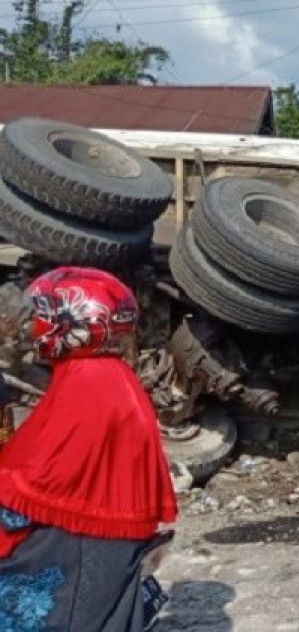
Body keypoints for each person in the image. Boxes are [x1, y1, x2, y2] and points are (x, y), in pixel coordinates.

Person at [0, 266, 177, 631]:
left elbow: (45, 478)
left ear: (70, 322)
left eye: (41, 316)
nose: (33, 326)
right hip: (104, 536)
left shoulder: (87, 382)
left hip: (80, 542)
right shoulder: (108, 374)